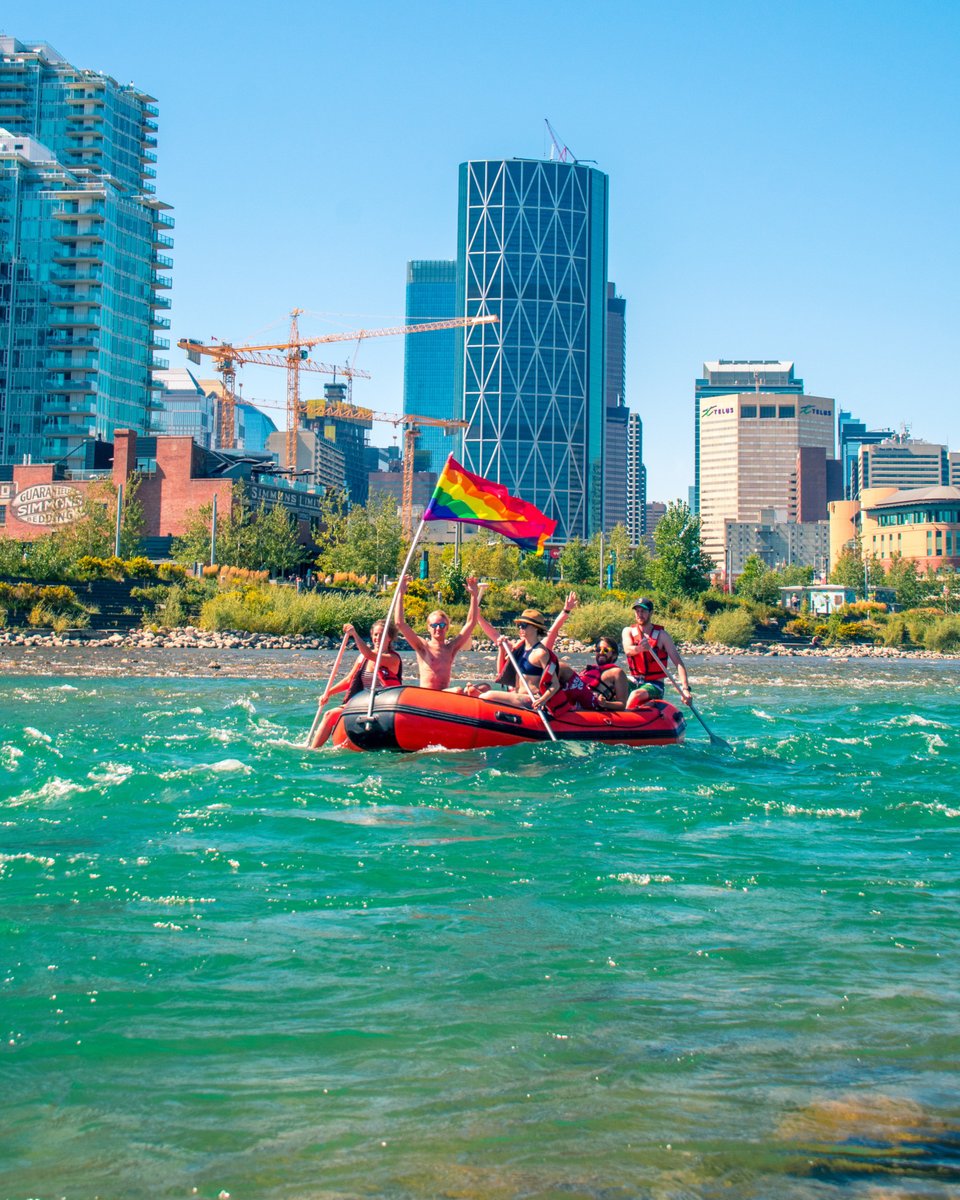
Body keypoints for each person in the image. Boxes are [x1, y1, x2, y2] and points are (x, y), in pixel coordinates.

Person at [310, 620, 403, 749]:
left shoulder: (392, 659)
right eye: (375, 634)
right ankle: (313, 750)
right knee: (329, 714)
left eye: (382, 635)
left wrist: (354, 634)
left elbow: (370, 654)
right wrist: (328, 693)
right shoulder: (362, 658)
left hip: (383, 706)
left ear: (390, 638)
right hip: (361, 704)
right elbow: (349, 680)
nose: (377, 638)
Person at [394, 573, 482, 690]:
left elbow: (471, 623)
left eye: (441, 625)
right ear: (428, 628)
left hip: (443, 696)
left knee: (480, 687)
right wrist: (400, 593)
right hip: (427, 695)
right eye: (434, 625)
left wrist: (474, 596)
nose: (438, 628)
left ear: (447, 627)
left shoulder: (451, 648)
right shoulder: (422, 646)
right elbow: (400, 623)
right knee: (458, 690)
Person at [474, 607, 562, 712]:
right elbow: (501, 670)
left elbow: (555, 684)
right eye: (519, 625)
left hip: (531, 698)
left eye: (524, 625)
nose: (520, 628)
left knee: (488, 696)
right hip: (517, 695)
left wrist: (543, 700)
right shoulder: (520, 647)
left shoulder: (541, 653)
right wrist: (502, 649)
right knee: (474, 692)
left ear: (535, 628)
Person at [622, 597, 692, 707]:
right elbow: (628, 650)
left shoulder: (662, 636)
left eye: (643, 611)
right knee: (614, 683)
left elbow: (678, 663)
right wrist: (640, 648)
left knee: (636, 694)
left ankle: (625, 718)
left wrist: (685, 689)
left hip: (655, 684)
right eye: (637, 611)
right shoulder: (628, 631)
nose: (640, 614)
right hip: (635, 680)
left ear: (651, 613)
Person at [555, 636, 631, 712]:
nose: (601, 652)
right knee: (555, 667)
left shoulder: (617, 672)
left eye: (606, 650)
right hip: (576, 697)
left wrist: (605, 703)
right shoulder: (588, 669)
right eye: (598, 650)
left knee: (562, 667)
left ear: (614, 655)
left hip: (592, 703)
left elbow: (622, 705)